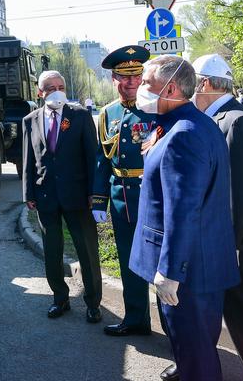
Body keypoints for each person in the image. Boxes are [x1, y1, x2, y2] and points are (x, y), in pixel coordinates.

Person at [129, 55, 239, 381]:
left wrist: (170, 271)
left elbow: (183, 209)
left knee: (197, 362)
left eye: (147, 84)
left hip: (188, 274)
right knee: (193, 353)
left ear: (171, 87)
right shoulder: (189, 124)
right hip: (197, 266)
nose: (140, 89)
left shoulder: (183, 134)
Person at [183, 54, 243, 381]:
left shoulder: (237, 121)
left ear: (205, 83)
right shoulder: (210, 118)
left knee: (242, 311)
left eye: (192, 84)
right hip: (206, 238)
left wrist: (227, 247)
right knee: (200, 308)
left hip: (229, 243)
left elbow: (241, 193)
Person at [23, 70, 102, 323]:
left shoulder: (79, 116)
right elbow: (28, 160)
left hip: (78, 196)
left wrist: (94, 193)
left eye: (60, 86)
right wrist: (28, 193)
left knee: (87, 251)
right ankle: (60, 299)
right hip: (46, 195)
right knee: (52, 251)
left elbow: (93, 157)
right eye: (49, 87)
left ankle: (92, 303)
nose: (56, 91)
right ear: (39, 92)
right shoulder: (30, 120)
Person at [94, 45, 155, 338]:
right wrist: (98, 200)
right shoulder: (108, 114)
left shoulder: (156, 107)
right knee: (130, 262)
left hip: (155, 197)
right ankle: (136, 319)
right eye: (124, 77)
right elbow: (101, 161)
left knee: (161, 265)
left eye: (137, 76)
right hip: (123, 201)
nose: (131, 82)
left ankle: (175, 330)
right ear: (113, 79)